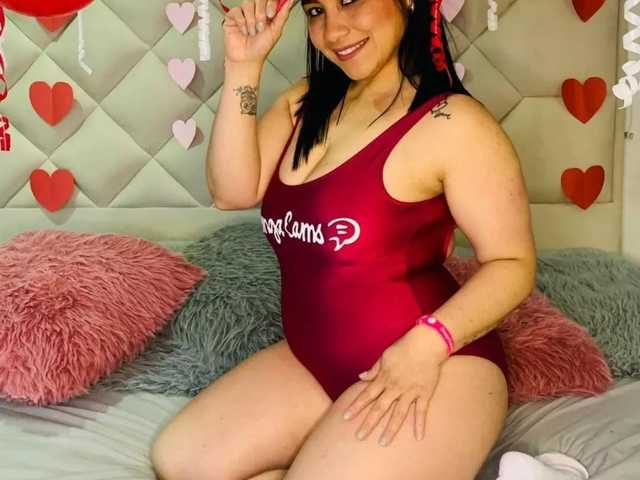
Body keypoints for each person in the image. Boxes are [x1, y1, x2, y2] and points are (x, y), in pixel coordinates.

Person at [150, 1, 543, 479]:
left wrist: (426, 346)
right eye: (316, 10)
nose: (334, 30)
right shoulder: (306, 102)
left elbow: (512, 263)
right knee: (182, 463)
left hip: (433, 363)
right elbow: (231, 192)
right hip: (314, 359)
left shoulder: (453, 123)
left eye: (351, 0)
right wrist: (243, 66)